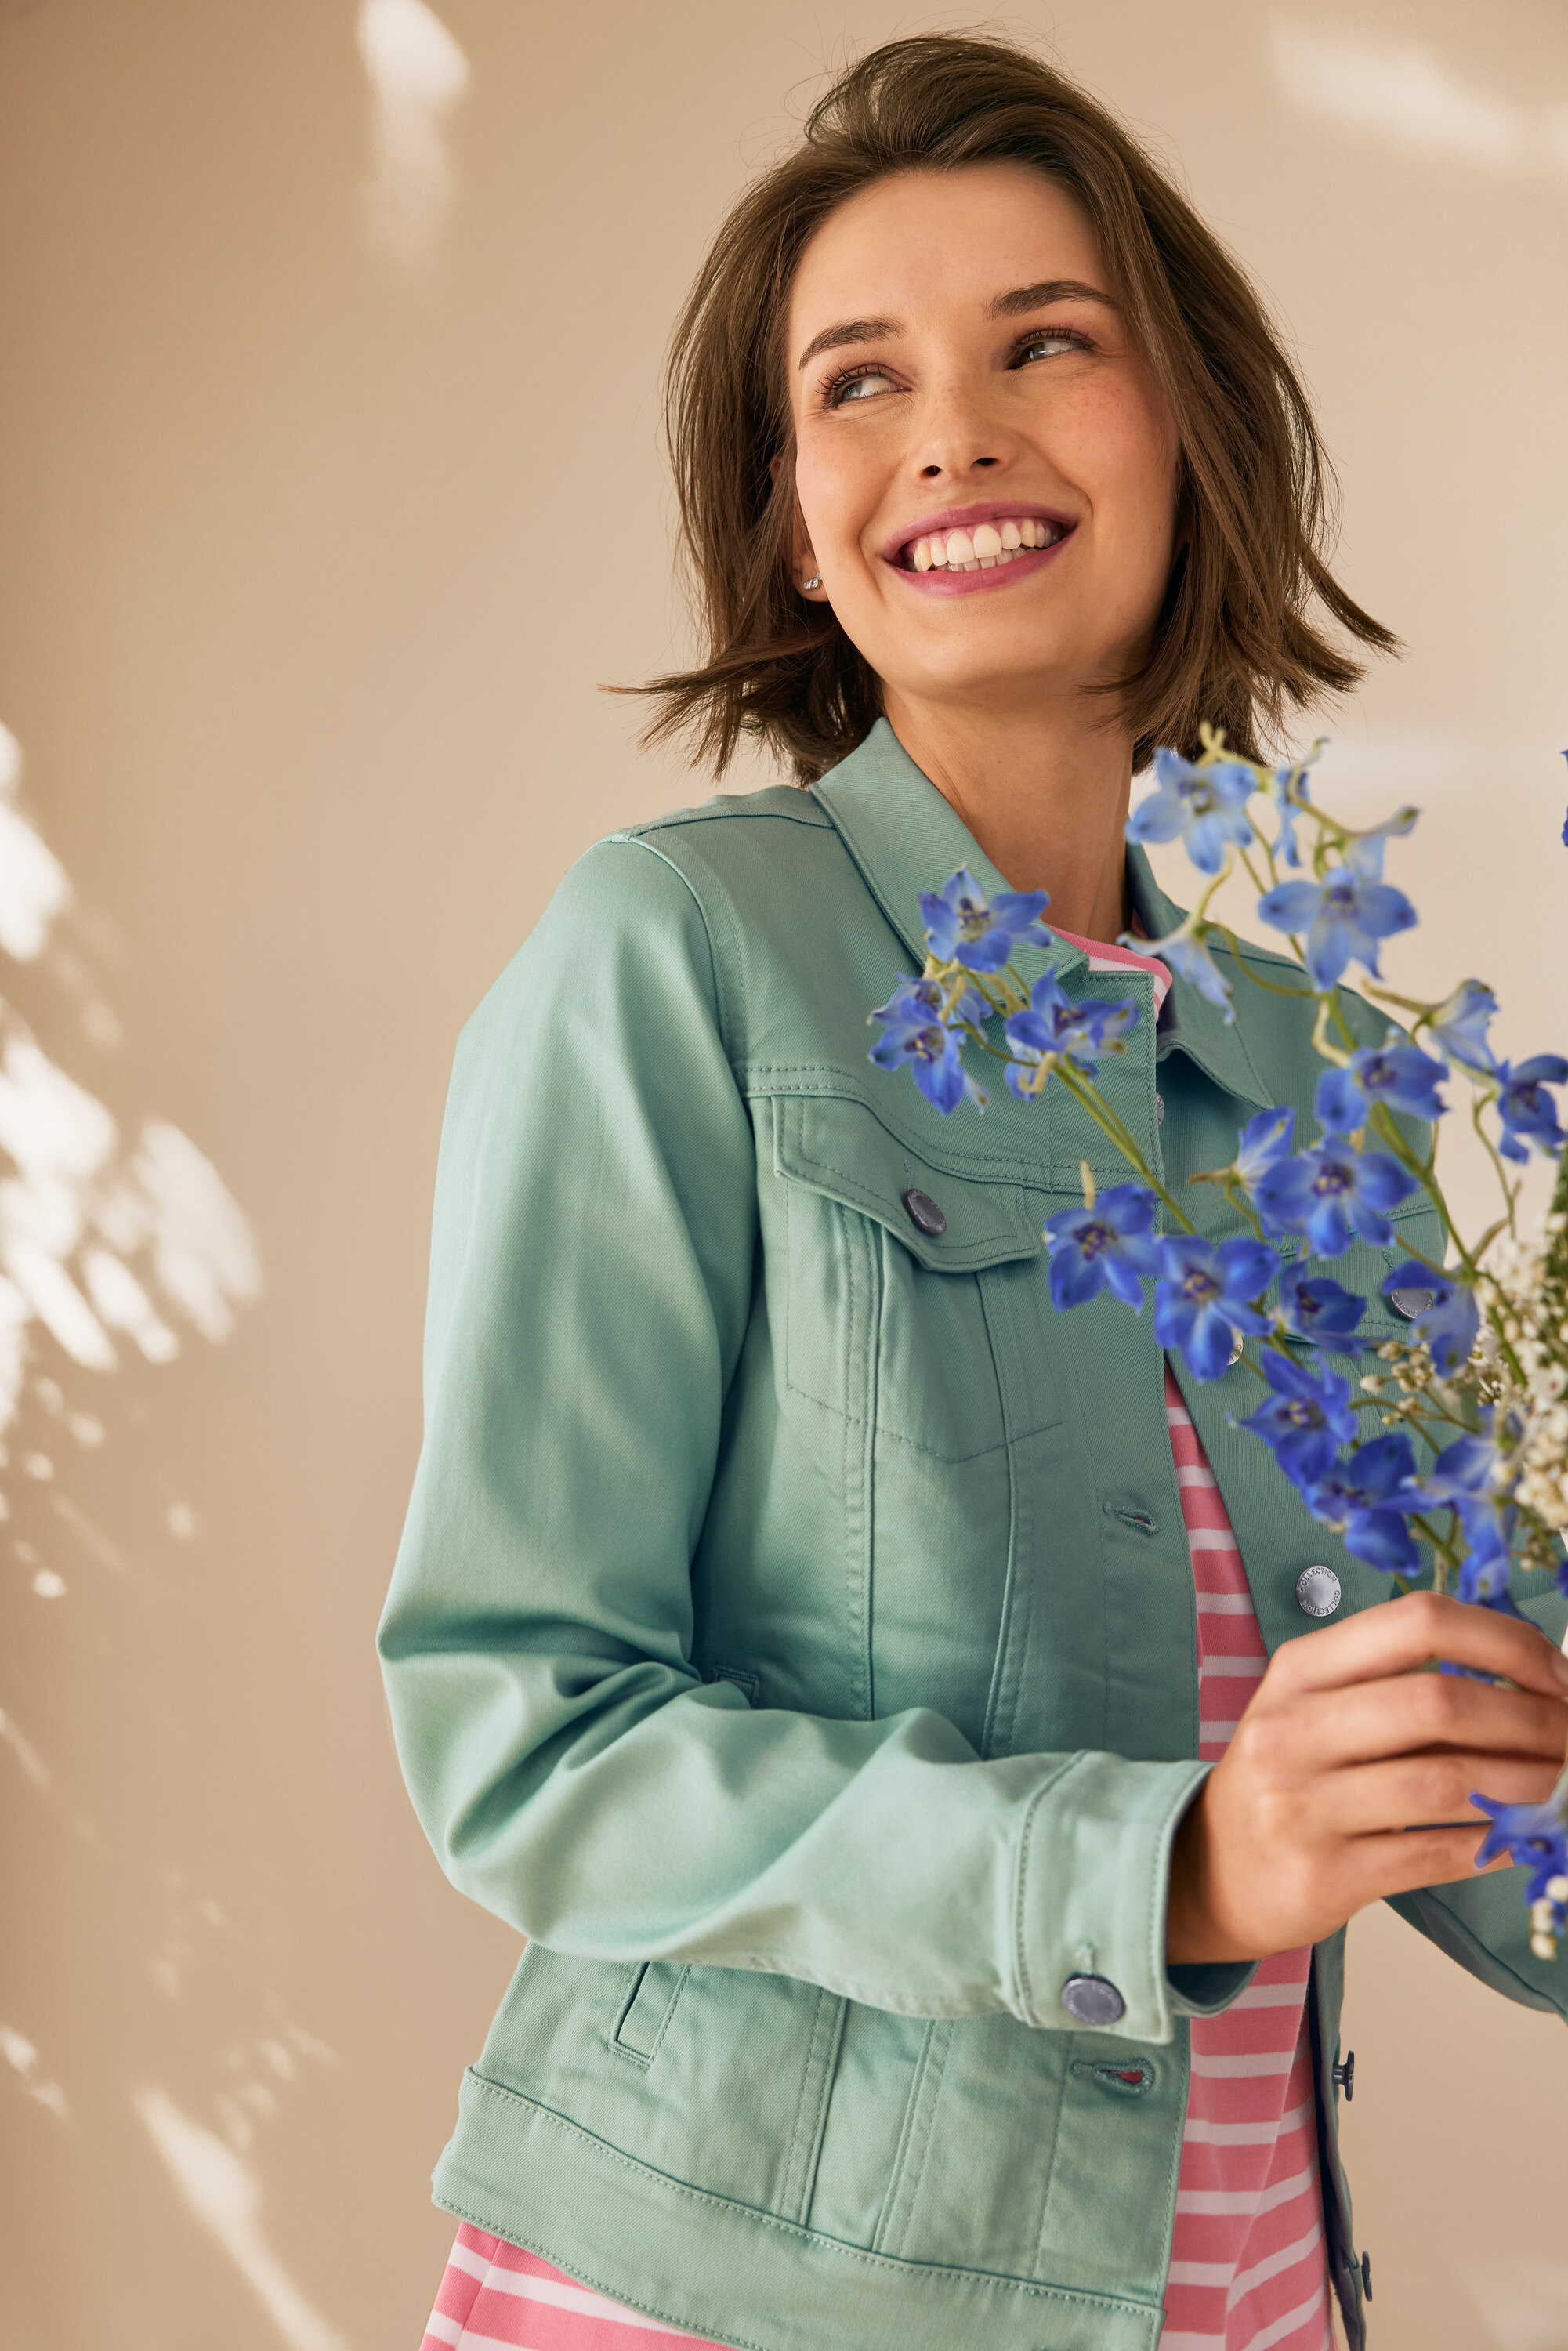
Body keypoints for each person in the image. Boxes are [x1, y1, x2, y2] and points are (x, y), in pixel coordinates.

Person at [382, 35, 1568, 2351]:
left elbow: (1478, 1753)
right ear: (793, 510)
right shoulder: (680, 956)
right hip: (722, 2305)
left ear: (1184, 422)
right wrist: (1168, 1860)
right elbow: (524, 1739)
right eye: (857, 381)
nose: (948, 430)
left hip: (1247, 2299)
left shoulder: (1311, 1058)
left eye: (1045, 340)